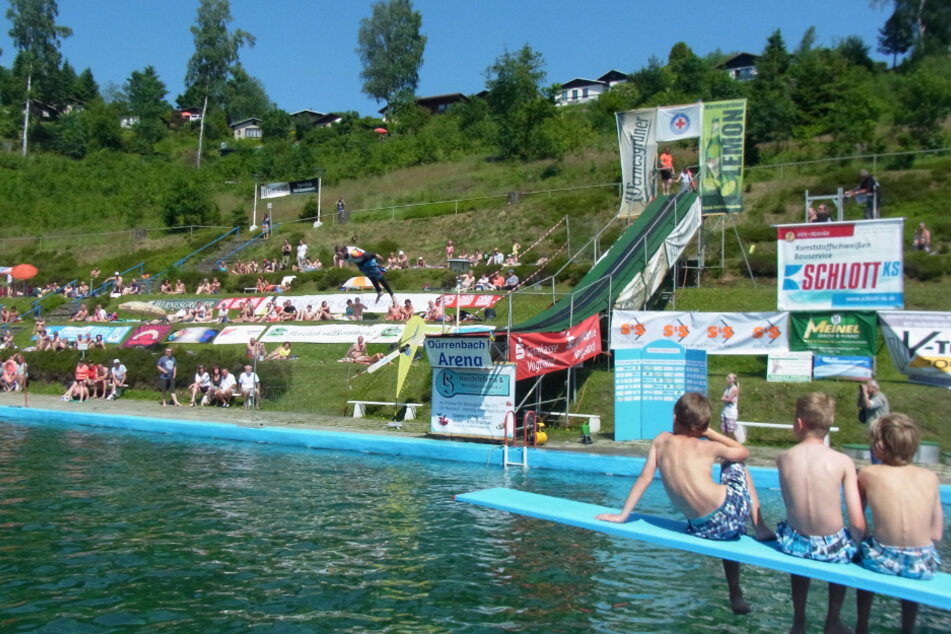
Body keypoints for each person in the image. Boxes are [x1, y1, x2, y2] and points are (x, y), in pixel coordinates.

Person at [596, 393, 774, 615]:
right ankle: (760, 529)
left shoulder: (660, 441)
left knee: (720, 521)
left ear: (674, 417)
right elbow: (744, 452)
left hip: (701, 527)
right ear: (701, 427)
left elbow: (645, 478)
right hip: (730, 518)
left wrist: (623, 515)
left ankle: (736, 592)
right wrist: (710, 434)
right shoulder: (709, 448)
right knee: (737, 463)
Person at [775, 393, 865, 634]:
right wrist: (856, 543)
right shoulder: (843, 461)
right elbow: (857, 521)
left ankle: (798, 621)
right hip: (832, 547)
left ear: (799, 424)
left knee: (794, 533)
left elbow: (788, 503)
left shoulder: (783, 458)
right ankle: (832, 620)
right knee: (844, 541)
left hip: (794, 544)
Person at [855, 413, 943, 634]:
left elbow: (858, 523)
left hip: (882, 559)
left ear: (880, 446)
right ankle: (907, 629)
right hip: (922, 563)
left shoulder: (868, 473)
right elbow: (936, 534)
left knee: (863, 552)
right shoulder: (931, 477)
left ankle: (862, 626)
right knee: (914, 559)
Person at [720, 373, 744, 442]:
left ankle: (736, 442)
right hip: (725, 412)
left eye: (729, 377)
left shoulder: (735, 389)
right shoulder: (727, 388)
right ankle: (725, 443)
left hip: (731, 413)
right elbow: (724, 398)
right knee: (724, 430)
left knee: (731, 431)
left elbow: (729, 399)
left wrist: (725, 399)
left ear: (733, 380)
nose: (727, 378)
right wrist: (726, 399)